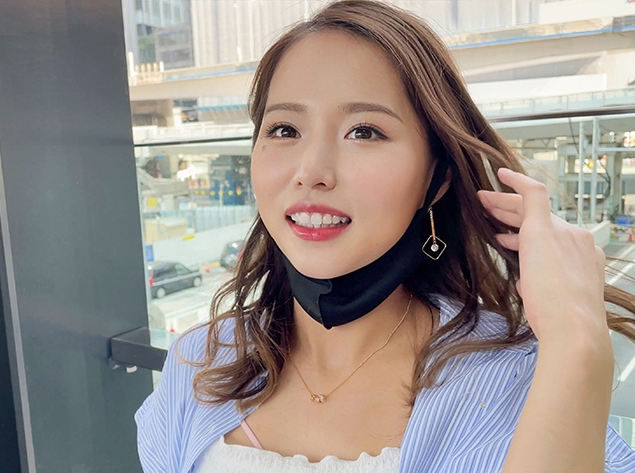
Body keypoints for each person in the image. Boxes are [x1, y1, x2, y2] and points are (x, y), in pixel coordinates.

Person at [135, 1, 635, 472]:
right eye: (284, 129)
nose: (311, 172)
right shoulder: (200, 363)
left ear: (435, 178)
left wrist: (577, 343)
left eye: (365, 131)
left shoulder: (523, 379)